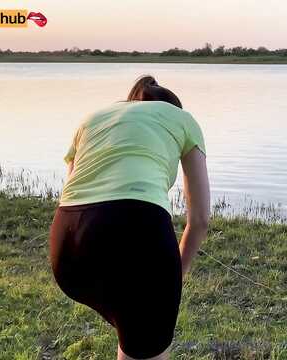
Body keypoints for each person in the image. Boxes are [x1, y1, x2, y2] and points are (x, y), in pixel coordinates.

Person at [49, 75, 210, 359]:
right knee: (143, 334)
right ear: (172, 107)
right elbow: (199, 220)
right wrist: (175, 276)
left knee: (131, 325)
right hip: (137, 231)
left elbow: (73, 191)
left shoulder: (92, 119)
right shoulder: (182, 119)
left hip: (66, 247)